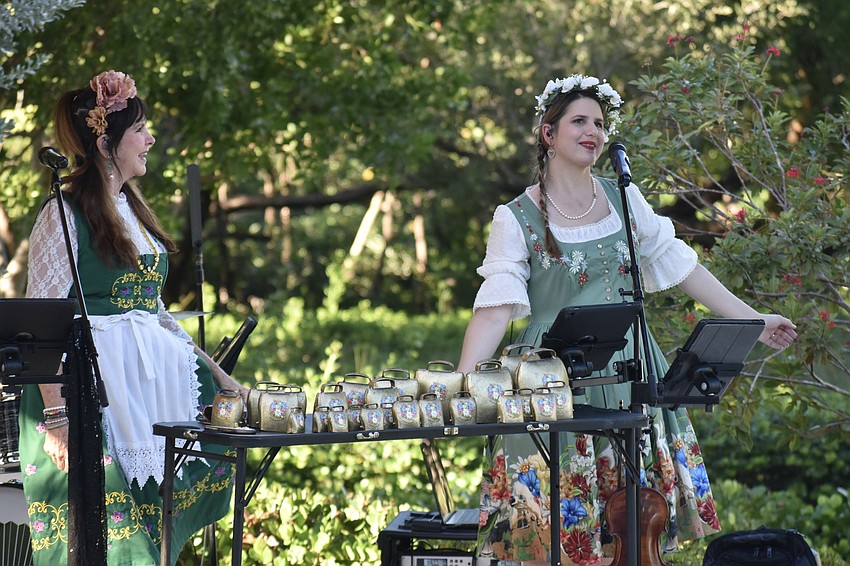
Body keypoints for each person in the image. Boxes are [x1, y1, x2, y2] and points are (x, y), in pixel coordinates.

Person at [457, 74, 797, 565]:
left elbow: (684, 269)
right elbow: (492, 314)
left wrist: (754, 321)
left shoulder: (622, 197)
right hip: (552, 378)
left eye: (598, 122)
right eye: (578, 121)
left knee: (634, 535)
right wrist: (458, 393)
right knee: (553, 534)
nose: (592, 131)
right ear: (548, 133)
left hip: (631, 369)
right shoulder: (516, 217)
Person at [19, 70, 248, 564]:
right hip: (91, 393)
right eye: (139, 131)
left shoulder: (130, 208)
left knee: (157, 535)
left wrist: (224, 377)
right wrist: (56, 417)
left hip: (149, 393)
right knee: (116, 544)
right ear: (105, 144)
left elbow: (154, 312)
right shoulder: (64, 212)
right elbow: (43, 320)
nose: (149, 140)